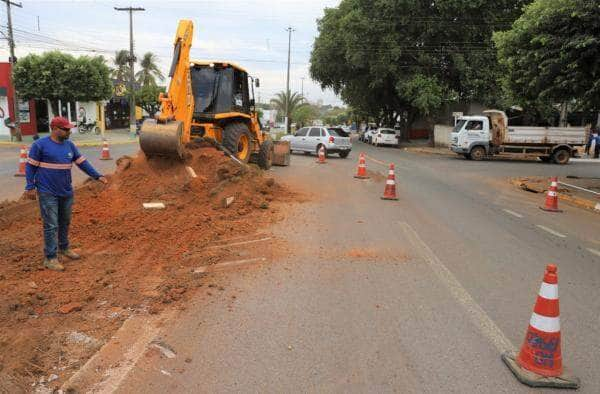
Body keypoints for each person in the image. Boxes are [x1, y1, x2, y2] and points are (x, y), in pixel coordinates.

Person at [22, 116, 108, 271]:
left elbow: (82, 163)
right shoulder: (40, 145)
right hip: (47, 192)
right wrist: (30, 187)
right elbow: (30, 167)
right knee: (51, 225)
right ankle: (50, 258)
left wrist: (97, 175)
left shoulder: (70, 145)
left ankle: (64, 247)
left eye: (69, 128)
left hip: (66, 191)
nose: (69, 131)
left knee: (65, 221)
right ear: (54, 129)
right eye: (66, 129)